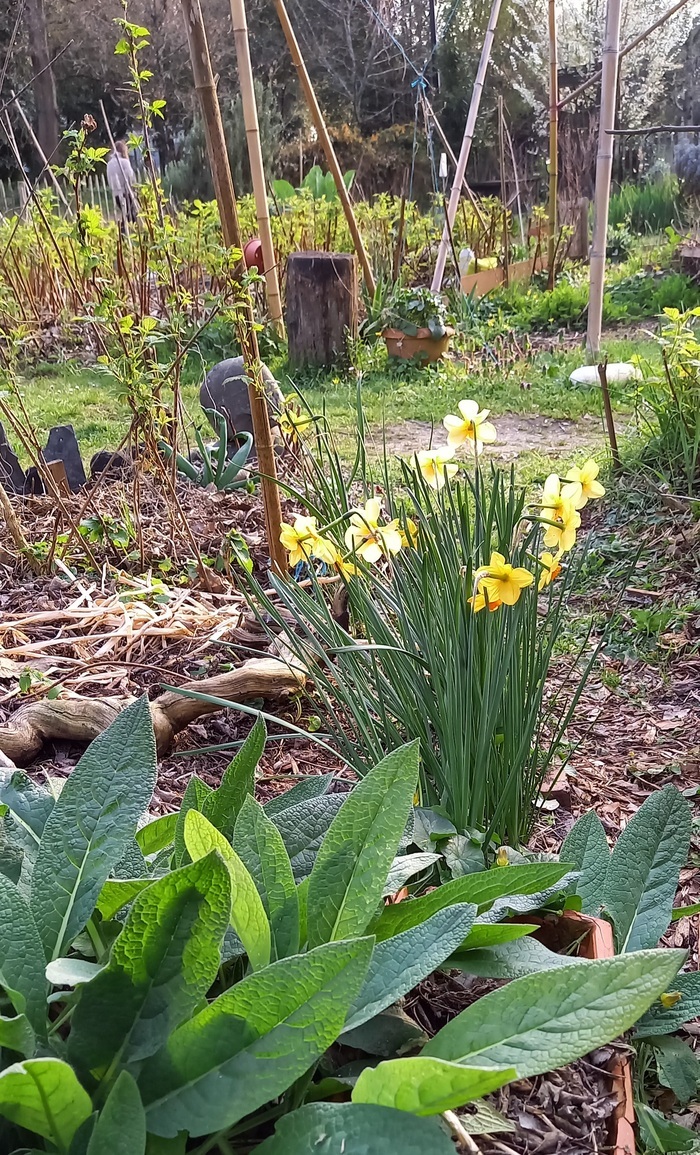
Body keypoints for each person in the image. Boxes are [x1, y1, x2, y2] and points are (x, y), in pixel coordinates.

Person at [106, 140, 137, 229]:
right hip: (126, 192)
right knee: (131, 214)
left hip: (116, 194)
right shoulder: (125, 162)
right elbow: (131, 178)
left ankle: (124, 232)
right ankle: (125, 231)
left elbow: (110, 181)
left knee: (126, 213)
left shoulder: (109, 164)